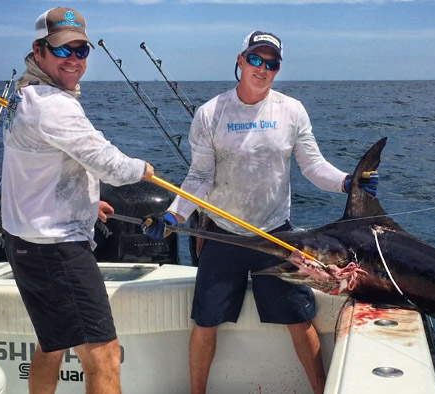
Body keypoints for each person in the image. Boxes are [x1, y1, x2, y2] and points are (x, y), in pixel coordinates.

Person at [143, 31, 378, 394]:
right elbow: (200, 177)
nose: (263, 68)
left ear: (278, 69)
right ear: (240, 61)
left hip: (275, 234)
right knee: (206, 323)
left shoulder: (291, 111)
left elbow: (313, 166)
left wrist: (347, 182)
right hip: (222, 234)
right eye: (256, 59)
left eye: (272, 63)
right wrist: (175, 217)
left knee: (300, 320)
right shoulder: (211, 113)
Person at [1, 7, 154, 394]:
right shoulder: (53, 105)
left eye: (81, 51)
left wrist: (88, 204)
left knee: (51, 345)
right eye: (61, 50)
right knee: (104, 353)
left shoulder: (26, 95)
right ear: (39, 52)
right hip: (57, 250)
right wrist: (142, 168)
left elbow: (42, 168)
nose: (73, 59)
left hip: (26, 242)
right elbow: (111, 165)